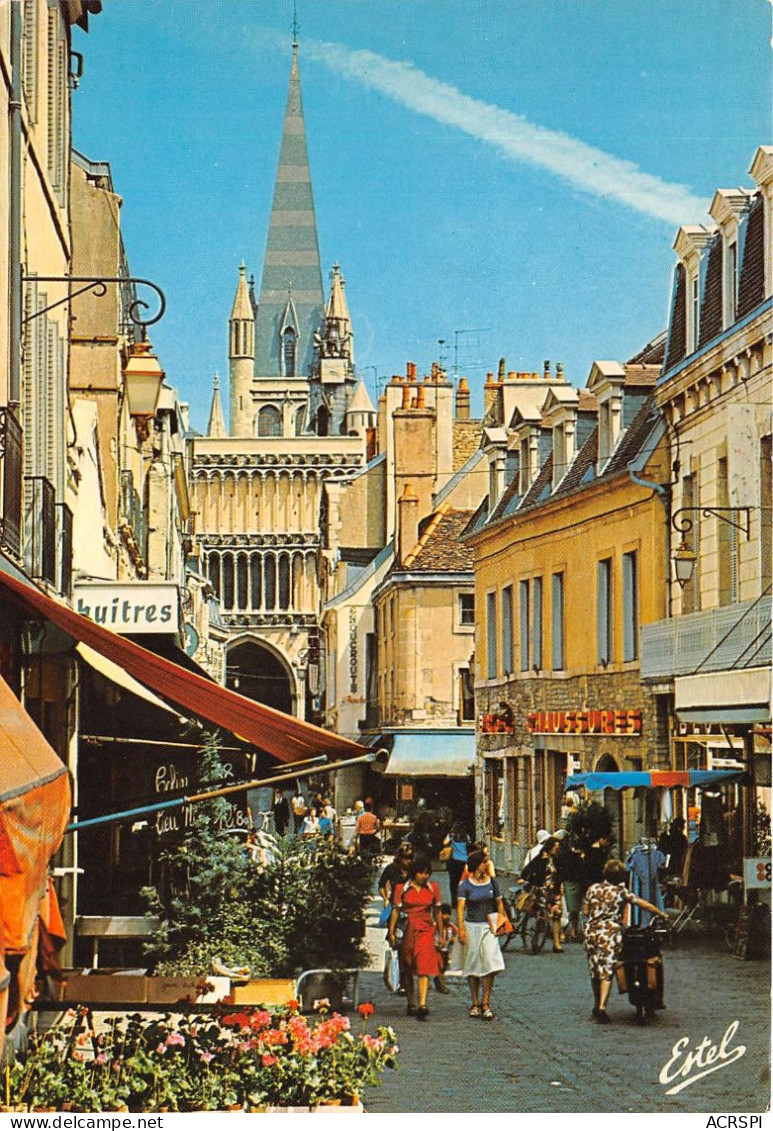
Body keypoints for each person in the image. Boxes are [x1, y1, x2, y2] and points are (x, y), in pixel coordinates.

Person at [583, 858, 669, 1023]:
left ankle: (596, 1004)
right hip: (609, 933)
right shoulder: (620, 892)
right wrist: (660, 912)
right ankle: (602, 1008)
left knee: (595, 969)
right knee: (607, 970)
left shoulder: (592, 888)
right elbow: (642, 903)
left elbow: (586, 910)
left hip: (591, 932)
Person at [388, 855, 443, 1021]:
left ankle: (423, 1004)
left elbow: (437, 912)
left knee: (423, 965)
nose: (425, 876)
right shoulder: (401, 888)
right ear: (414, 873)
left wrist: (441, 933)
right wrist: (391, 931)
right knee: (408, 965)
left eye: (427, 873)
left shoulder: (433, 888)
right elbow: (396, 911)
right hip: (408, 930)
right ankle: (411, 1002)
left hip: (426, 929)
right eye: (421, 873)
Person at [457, 848, 507, 1019]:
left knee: (490, 963)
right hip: (472, 927)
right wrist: (461, 929)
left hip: (488, 927)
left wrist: (502, 923)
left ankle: (486, 1002)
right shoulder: (465, 885)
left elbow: (499, 904)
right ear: (477, 865)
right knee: (473, 965)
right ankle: (475, 1002)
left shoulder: (492, 883)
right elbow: (461, 908)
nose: (487, 865)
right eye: (484, 862)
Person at [520, 834, 564, 952]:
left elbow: (560, 873)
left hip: (554, 890)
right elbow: (528, 870)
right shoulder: (540, 858)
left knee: (556, 914)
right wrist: (527, 880)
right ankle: (536, 938)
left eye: (557, 847)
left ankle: (556, 943)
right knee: (542, 915)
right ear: (549, 847)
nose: (556, 849)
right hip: (542, 890)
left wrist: (561, 886)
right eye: (555, 847)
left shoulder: (556, 859)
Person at [555, 832, 586, 942]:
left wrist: (559, 884)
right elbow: (582, 870)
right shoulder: (576, 856)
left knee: (564, 909)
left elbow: (558, 872)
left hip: (565, 883)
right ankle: (573, 931)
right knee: (575, 909)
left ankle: (563, 933)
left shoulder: (558, 856)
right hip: (576, 883)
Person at [378, 842, 413, 917]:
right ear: (400, 857)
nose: (409, 861)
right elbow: (381, 885)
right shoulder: (391, 869)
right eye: (406, 857)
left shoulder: (414, 869)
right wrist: (385, 899)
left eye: (411, 857)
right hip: (395, 905)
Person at [441, 823, 470, 904]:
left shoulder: (451, 835)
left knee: (453, 882)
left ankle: (454, 902)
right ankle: (464, 901)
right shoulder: (466, 836)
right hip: (464, 861)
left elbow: (444, 843)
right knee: (464, 882)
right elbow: (469, 845)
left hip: (453, 861)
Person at [434, 903, 457, 994]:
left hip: (446, 950)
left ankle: (438, 980)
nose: (447, 917)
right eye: (444, 914)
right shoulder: (437, 926)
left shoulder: (450, 926)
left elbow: (456, 934)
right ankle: (442, 985)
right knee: (440, 966)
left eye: (448, 914)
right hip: (437, 949)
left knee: (444, 967)